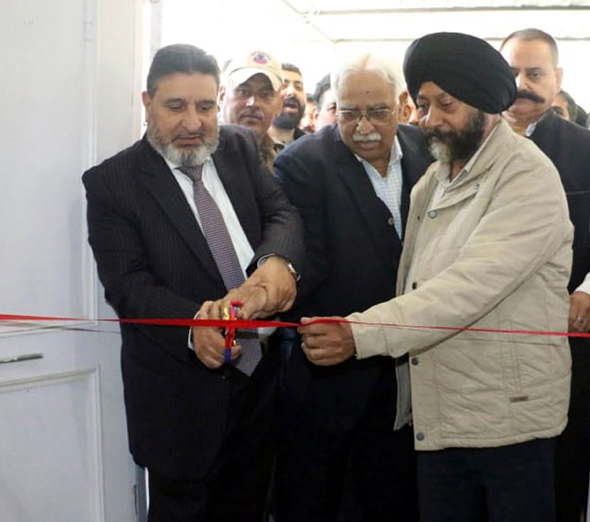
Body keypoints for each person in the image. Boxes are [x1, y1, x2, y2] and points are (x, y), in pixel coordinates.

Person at [297, 32, 574, 522]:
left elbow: (467, 288)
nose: (429, 120)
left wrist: (360, 334)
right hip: (441, 417)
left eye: (446, 104)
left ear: (485, 102)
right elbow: (416, 283)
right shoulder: (436, 179)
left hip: (508, 420)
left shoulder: (527, 176)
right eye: (423, 105)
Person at [83, 43, 304, 522]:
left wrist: (276, 262)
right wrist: (192, 326)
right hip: (180, 405)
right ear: (147, 103)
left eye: (205, 107)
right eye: (175, 106)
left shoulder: (238, 146)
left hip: (261, 387)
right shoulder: (113, 182)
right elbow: (128, 286)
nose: (193, 123)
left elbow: (281, 211)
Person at [273, 53, 433, 522]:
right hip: (330, 381)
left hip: (408, 379)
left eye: (377, 112)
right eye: (349, 113)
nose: (363, 127)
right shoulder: (303, 164)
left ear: (402, 106)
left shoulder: (427, 151)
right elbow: (308, 264)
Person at [500, 27, 590, 522]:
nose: (521, 84)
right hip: (485, 342)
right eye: (512, 73)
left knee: (558, 476)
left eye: (535, 73)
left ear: (557, 78)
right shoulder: (469, 143)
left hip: (563, 341)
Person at [219, 50, 284, 170]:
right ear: (221, 96)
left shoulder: (284, 162)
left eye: (266, 95)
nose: (254, 103)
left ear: (280, 104)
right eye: (243, 91)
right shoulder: (200, 154)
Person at [268, 62, 308, 145]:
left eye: (298, 87)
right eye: (283, 86)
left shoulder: (312, 147)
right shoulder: (249, 146)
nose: (292, 92)